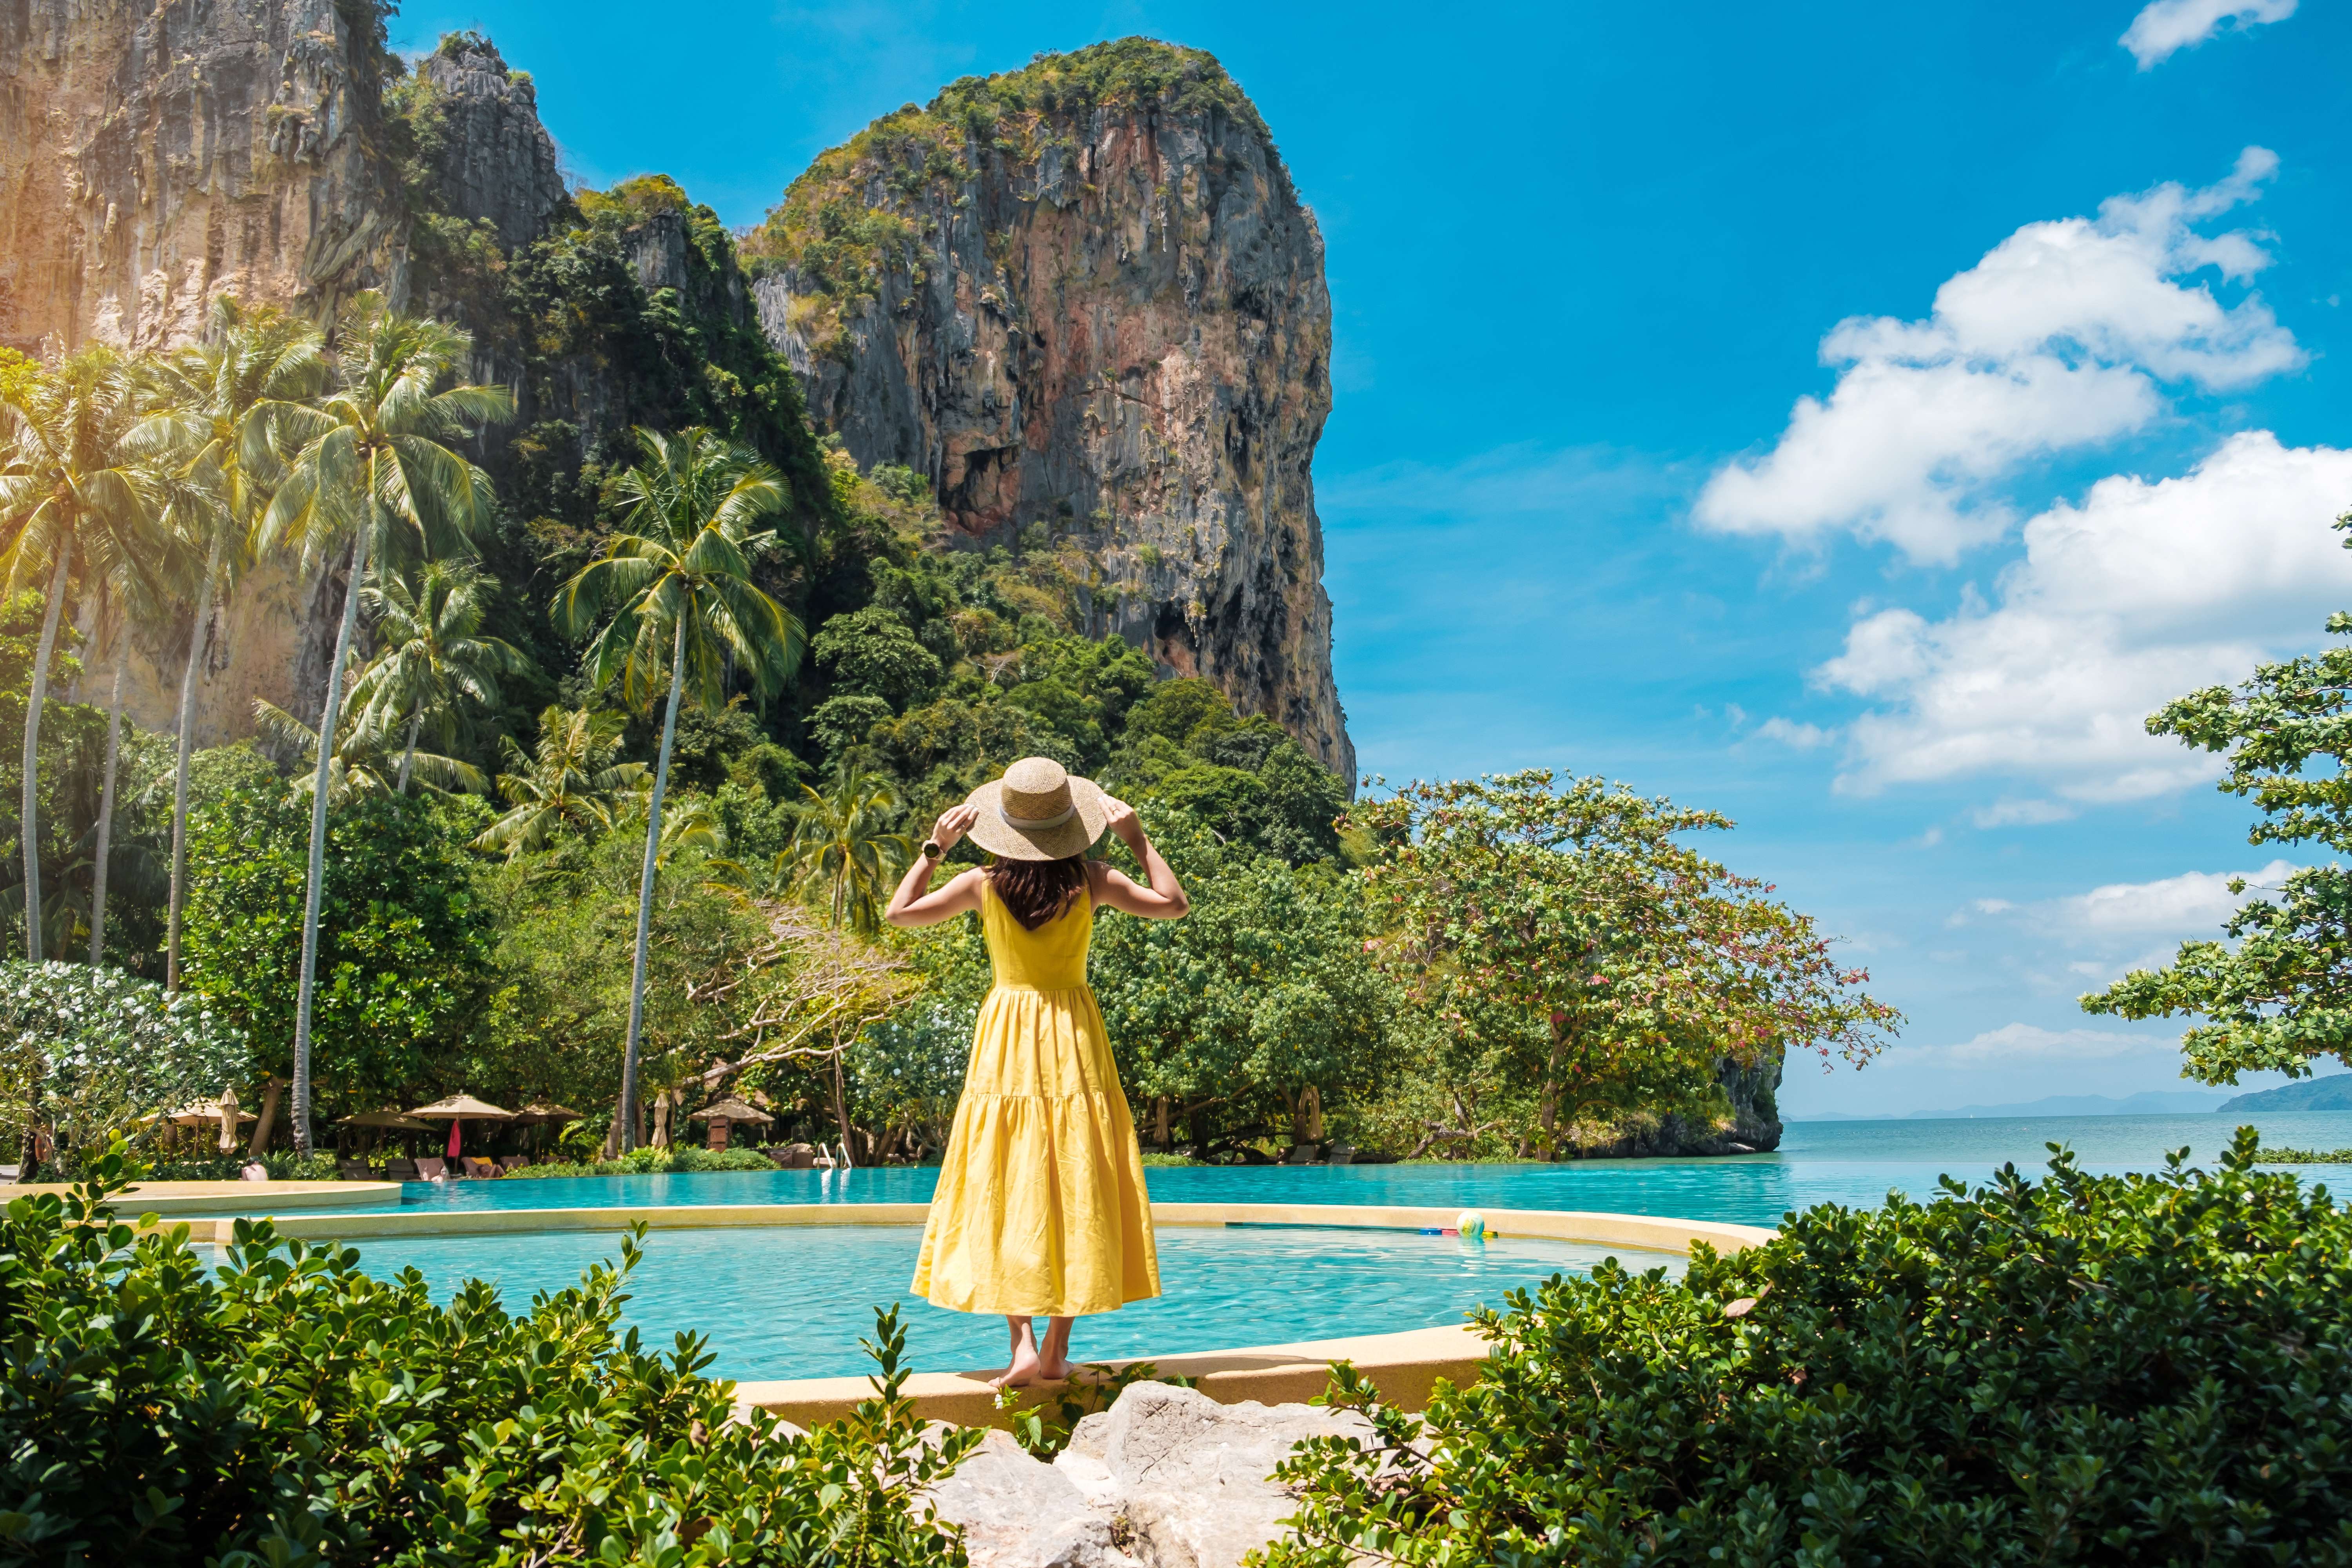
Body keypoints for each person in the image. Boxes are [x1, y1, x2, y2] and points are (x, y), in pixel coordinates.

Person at [886, 755, 1190, 1387]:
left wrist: (933, 849)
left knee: (1005, 1173)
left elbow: (899, 913)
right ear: (1068, 825)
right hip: (1074, 1034)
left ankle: (1021, 1347)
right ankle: (1054, 1352)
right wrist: (1136, 838)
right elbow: (1173, 904)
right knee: (1076, 1177)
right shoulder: (1096, 880)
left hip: (1006, 1034)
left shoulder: (981, 884)